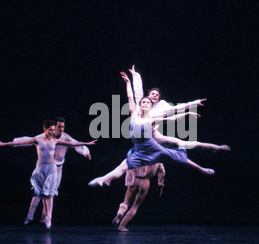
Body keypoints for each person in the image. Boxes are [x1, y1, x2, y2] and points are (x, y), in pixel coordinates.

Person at [88, 66, 230, 187]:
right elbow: (133, 95)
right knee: (124, 165)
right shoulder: (137, 110)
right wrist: (132, 78)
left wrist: (192, 106)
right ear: (147, 98)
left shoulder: (159, 110)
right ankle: (103, 180)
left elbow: (174, 113)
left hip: (153, 138)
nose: (153, 96)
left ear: (156, 99)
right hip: (140, 146)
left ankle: (212, 152)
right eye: (151, 95)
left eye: (156, 95)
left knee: (181, 147)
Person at [0, 120, 97, 229]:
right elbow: (26, 140)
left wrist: (86, 150)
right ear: (52, 128)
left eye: (63, 127)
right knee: (39, 193)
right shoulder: (41, 137)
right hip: (42, 167)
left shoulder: (65, 138)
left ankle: (46, 217)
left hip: (56, 168)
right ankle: (31, 216)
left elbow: (75, 143)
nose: (60, 130)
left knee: (50, 193)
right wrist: (8, 143)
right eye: (58, 127)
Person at [112, 163, 166, 231]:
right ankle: (121, 226)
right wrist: (160, 184)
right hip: (145, 182)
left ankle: (120, 213)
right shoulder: (157, 159)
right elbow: (162, 171)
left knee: (126, 202)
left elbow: (129, 168)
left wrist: (129, 183)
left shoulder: (137, 155)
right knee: (135, 206)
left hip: (134, 180)